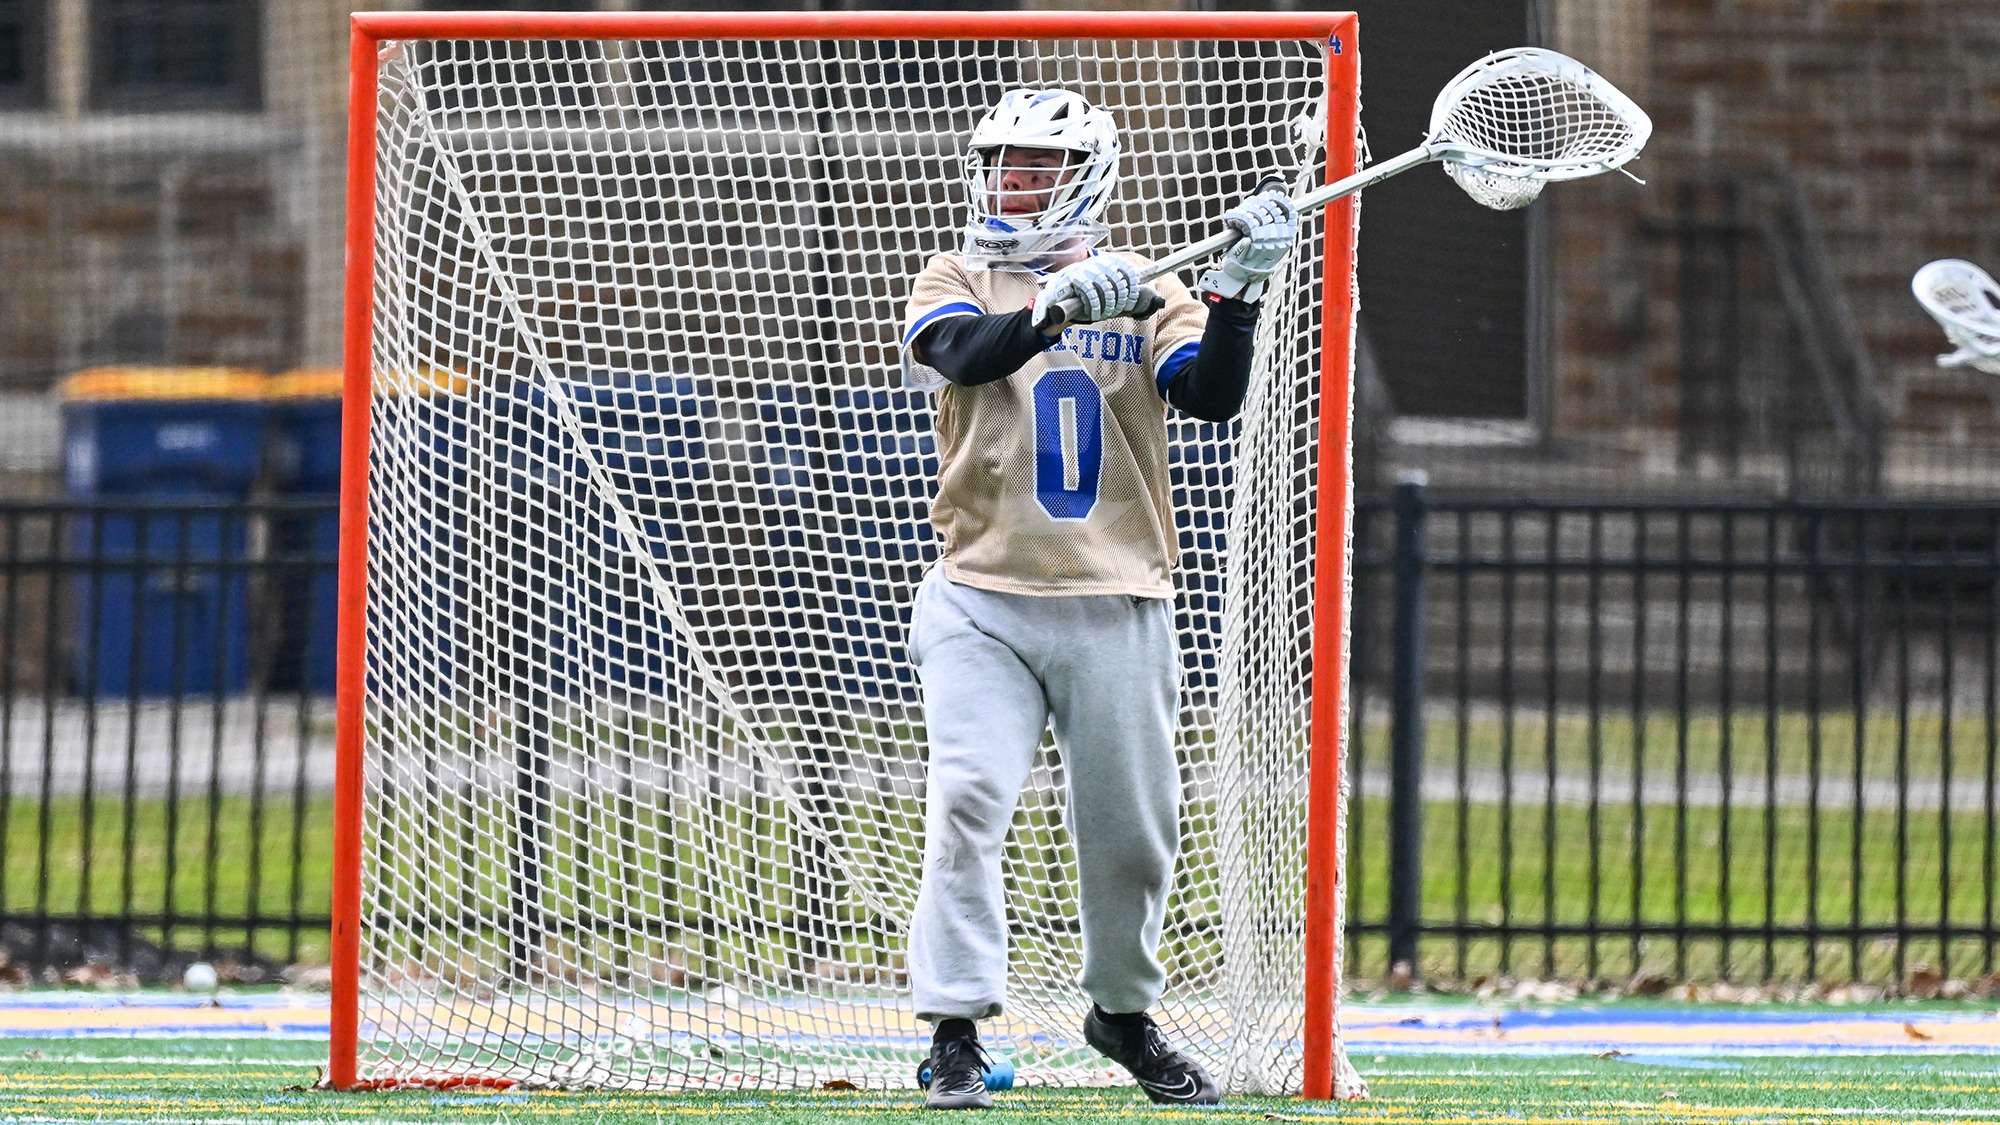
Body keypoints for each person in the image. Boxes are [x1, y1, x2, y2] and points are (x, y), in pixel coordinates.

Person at [897, 87, 1300, 1111]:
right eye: (1001, 163)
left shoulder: (1150, 286)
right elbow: (962, 354)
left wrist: (1236, 296)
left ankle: (1121, 1013)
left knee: (1130, 833)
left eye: (1036, 166)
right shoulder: (954, 275)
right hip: (980, 595)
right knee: (966, 796)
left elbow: (1209, 395)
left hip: (1116, 597)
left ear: (1086, 176)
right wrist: (1050, 311)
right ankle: (953, 1030)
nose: (1012, 182)